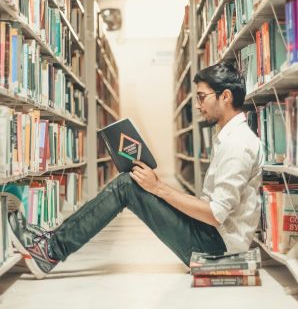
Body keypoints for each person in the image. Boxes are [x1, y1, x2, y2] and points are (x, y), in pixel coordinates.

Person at [8, 61, 264, 279]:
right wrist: (158, 188)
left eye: (202, 97)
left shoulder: (237, 145)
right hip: (210, 235)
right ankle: (51, 242)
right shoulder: (230, 138)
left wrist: (158, 188)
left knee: (126, 186)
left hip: (215, 249)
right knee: (131, 182)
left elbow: (215, 215)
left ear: (226, 96)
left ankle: (50, 249)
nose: (197, 105)